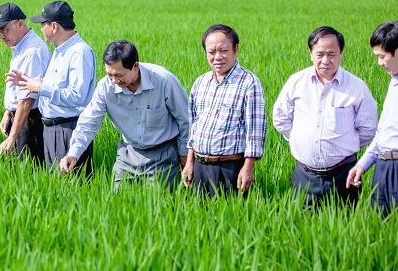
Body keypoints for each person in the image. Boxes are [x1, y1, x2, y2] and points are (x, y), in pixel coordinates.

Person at [59, 40, 189, 191]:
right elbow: (89, 122)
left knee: (161, 204)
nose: (114, 81)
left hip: (163, 154)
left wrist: (185, 153)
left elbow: (185, 120)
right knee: (118, 201)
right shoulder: (105, 87)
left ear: (135, 66)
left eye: (119, 75)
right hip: (128, 153)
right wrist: (73, 153)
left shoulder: (163, 81)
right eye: (109, 74)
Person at [273, 26, 377, 208]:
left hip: (344, 174)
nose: (325, 60)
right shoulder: (296, 82)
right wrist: (301, 138)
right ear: (310, 53)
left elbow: (368, 129)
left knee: (345, 227)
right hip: (304, 174)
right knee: (301, 228)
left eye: (332, 54)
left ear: (341, 53)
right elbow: (280, 118)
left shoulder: (357, 87)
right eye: (320, 54)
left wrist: (345, 144)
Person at [6, 0, 96, 177]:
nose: (40, 29)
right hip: (51, 129)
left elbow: (77, 96)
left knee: (73, 187)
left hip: (68, 130)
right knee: (55, 187)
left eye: (42, 24)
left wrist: (41, 87)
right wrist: (30, 82)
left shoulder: (79, 52)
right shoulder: (59, 50)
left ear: (54, 26)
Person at [181, 24, 267, 197]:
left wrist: (248, 168)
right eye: (211, 52)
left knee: (230, 218)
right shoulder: (201, 82)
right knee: (199, 220)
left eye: (223, 50)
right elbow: (194, 127)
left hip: (230, 167)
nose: (217, 57)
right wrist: (189, 162)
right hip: (200, 166)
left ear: (236, 49)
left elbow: (255, 132)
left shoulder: (249, 83)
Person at [0, 2, 51, 164]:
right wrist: (8, 112)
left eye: (4, 30)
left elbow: (27, 99)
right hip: (19, 118)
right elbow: (17, 89)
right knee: (18, 174)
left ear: (20, 24)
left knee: (29, 172)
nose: (2, 36)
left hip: (29, 121)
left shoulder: (31, 52)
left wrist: (13, 137)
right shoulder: (20, 47)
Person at [347, 21, 398, 216]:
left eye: (382, 56)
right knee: (380, 225)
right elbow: (384, 132)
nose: (379, 63)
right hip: (383, 167)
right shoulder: (393, 83)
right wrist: (363, 164)